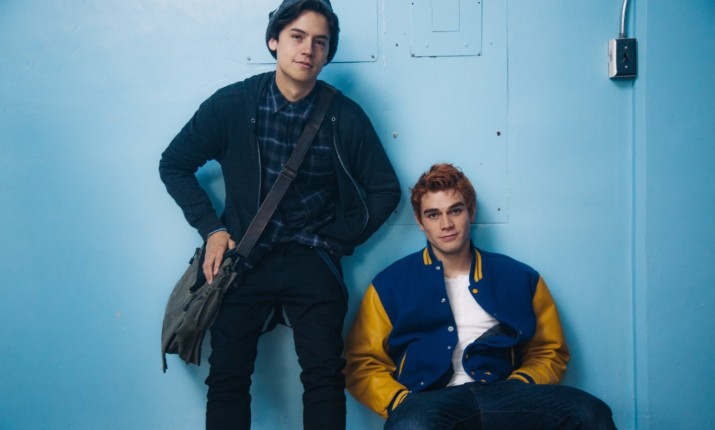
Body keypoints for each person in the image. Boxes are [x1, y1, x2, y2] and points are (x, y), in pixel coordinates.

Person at [159, 1, 400, 428]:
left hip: (311, 257)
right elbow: (173, 163)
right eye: (297, 36)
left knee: (324, 378)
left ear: (327, 53)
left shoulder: (344, 116)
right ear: (274, 41)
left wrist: (338, 240)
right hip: (243, 256)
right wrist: (212, 229)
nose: (308, 49)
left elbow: (386, 190)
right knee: (227, 378)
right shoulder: (232, 105)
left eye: (320, 42)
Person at [344, 163, 616, 429]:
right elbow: (362, 362)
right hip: (428, 399)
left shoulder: (519, 276)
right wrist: (400, 402)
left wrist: (522, 383)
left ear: (471, 211)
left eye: (455, 210)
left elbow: (548, 349)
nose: (446, 224)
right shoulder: (390, 284)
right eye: (433, 215)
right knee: (411, 424)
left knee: (590, 412)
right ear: (419, 221)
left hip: (504, 393)